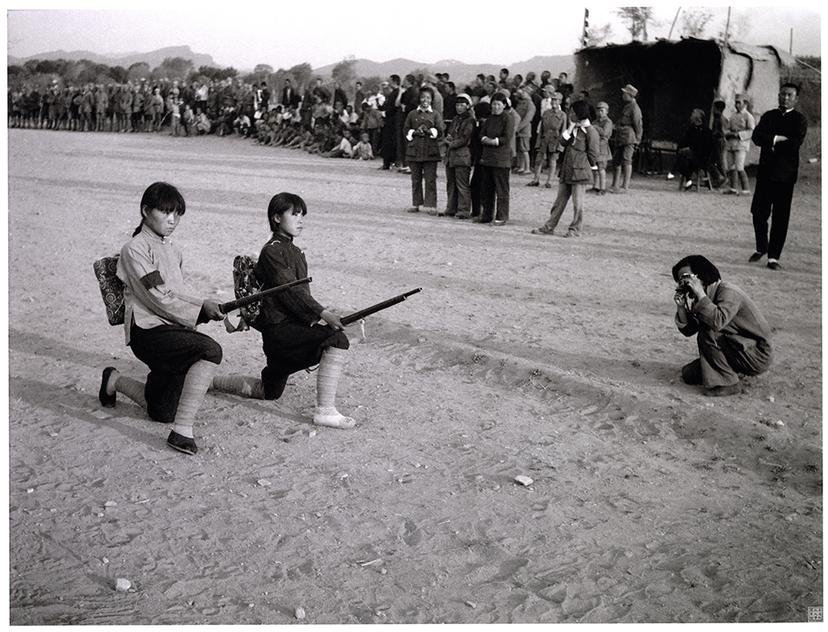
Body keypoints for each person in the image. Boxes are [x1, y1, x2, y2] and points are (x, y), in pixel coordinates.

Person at [98, 182, 232, 455]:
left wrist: (209, 309)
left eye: (178, 214)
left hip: (170, 328)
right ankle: (182, 432)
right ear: (146, 210)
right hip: (147, 331)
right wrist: (201, 309)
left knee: (161, 411)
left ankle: (114, 380)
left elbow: (178, 294)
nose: (173, 220)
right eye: (166, 212)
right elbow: (158, 296)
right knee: (209, 350)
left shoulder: (173, 248)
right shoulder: (134, 249)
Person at [215, 193, 356, 429]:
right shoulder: (272, 251)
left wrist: (314, 321)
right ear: (277, 217)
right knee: (336, 339)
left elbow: (300, 296)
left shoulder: (296, 252)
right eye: (295, 214)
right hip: (278, 333)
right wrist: (323, 315)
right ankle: (325, 411)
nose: (300, 220)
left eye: (302, 215)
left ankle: (210, 381)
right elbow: (291, 292)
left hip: (289, 331)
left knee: (268, 390)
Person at [672, 255, 772, 396]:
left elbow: (717, 321)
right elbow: (690, 330)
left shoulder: (728, 292)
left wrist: (700, 292)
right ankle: (728, 371)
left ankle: (730, 384)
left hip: (756, 354)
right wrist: (681, 308)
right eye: (680, 280)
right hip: (735, 347)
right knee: (689, 374)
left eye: (687, 277)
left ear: (701, 273)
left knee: (708, 331)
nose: (684, 283)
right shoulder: (702, 297)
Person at [748, 83, 808, 271]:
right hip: (765, 173)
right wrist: (776, 139)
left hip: (785, 175)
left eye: (790, 95)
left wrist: (772, 140)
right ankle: (761, 246)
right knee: (758, 212)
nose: (785, 98)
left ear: (796, 98)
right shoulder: (769, 116)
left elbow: (795, 143)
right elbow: (757, 137)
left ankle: (773, 257)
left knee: (780, 217)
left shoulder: (799, 120)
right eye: (782, 94)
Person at [530, 100, 599, 238]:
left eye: (573, 112)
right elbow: (562, 142)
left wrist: (589, 170)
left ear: (580, 113)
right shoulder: (574, 128)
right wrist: (570, 127)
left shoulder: (591, 132)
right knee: (559, 202)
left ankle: (575, 229)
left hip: (580, 173)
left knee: (578, 204)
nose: (570, 114)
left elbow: (593, 154)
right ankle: (549, 226)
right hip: (567, 171)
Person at [403, 86, 444, 214]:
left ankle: (431, 205)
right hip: (414, 150)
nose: (425, 100)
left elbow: (441, 130)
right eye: (422, 97)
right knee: (415, 179)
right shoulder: (412, 114)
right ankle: (416, 204)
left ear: (431, 100)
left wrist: (430, 131)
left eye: (428, 97)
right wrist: (414, 132)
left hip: (430, 150)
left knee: (430, 179)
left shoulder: (436, 114)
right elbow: (405, 129)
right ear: (419, 99)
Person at [477, 92, 515, 225]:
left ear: (504, 105)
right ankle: (486, 215)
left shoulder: (508, 118)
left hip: (501, 160)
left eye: (499, 104)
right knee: (486, 189)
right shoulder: (490, 118)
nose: (496, 107)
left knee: (502, 189)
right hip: (487, 158)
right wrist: (484, 139)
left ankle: (502, 216)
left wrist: (495, 141)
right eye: (494, 104)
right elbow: (481, 133)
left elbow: (507, 136)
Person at [443, 93, 475, 218]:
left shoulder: (470, 120)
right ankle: (451, 208)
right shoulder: (456, 119)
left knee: (462, 185)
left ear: (467, 106)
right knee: (451, 183)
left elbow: (465, 139)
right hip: (451, 156)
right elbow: (450, 133)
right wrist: (449, 140)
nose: (459, 107)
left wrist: (451, 143)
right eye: (457, 105)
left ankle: (464, 210)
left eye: (462, 105)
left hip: (462, 156)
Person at [666, 108, 714, 190]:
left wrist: (691, 150)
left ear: (698, 118)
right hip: (689, 156)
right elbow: (684, 141)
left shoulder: (706, 131)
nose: (691, 117)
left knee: (684, 155)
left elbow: (706, 147)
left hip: (701, 157)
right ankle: (688, 180)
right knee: (683, 155)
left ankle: (673, 172)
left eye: (692, 115)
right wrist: (682, 148)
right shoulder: (691, 129)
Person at [527, 90, 566, 188]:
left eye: (556, 100)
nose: (554, 102)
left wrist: (561, 146)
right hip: (544, 138)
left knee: (552, 161)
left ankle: (549, 181)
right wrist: (538, 142)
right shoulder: (546, 113)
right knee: (538, 159)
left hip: (555, 140)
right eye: (553, 100)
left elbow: (563, 131)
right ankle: (536, 179)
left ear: (560, 102)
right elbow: (541, 129)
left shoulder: (563, 115)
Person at [609, 83, 643, 194]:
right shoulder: (627, 106)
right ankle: (615, 184)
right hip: (621, 135)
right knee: (616, 160)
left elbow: (638, 124)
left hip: (629, 137)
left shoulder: (634, 108)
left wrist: (638, 139)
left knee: (627, 160)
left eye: (625, 93)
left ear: (630, 95)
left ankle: (625, 186)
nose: (623, 95)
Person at [723, 94, 755, 196]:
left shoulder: (748, 116)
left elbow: (751, 131)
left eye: (739, 102)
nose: (736, 105)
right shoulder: (732, 116)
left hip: (741, 145)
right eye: (736, 102)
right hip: (731, 143)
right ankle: (733, 188)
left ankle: (746, 190)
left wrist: (739, 134)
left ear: (745, 103)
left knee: (739, 167)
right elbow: (727, 128)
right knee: (731, 167)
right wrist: (727, 133)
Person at [591, 101, 613, 194]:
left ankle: (602, 188)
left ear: (606, 111)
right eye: (598, 110)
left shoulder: (608, 122)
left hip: (603, 147)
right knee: (594, 168)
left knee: (601, 168)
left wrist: (595, 127)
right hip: (594, 145)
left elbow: (604, 133)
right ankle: (595, 186)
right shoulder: (595, 121)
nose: (600, 112)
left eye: (602, 110)